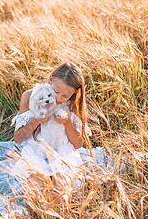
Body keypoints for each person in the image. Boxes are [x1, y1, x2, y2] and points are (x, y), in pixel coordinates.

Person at [10, 61, 91, 200]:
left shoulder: (73, 104)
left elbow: (78, 144)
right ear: (50, 79)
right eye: (56, 91)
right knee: (36, 196)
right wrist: (35, 120)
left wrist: (67, 123)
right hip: (35, 155)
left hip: (63, 156)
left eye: (65, 96)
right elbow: (18, 138)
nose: (59, 99)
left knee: (61, 195)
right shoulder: (30, 97)